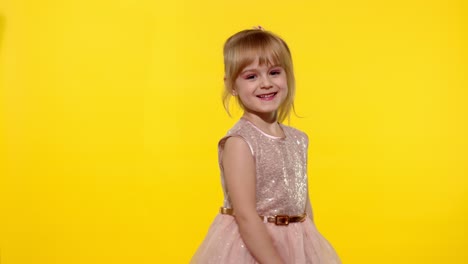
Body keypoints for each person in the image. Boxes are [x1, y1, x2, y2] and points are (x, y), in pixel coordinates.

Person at [191, 27, 341, 264]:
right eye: (251, 76)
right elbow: (246, 215)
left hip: (297, 244)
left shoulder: (298, 139)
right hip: (252, 248)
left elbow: (304, 206)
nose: (266, 83)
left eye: (274, 72)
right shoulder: (240, 142)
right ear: (231, 85)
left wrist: (310, 249)